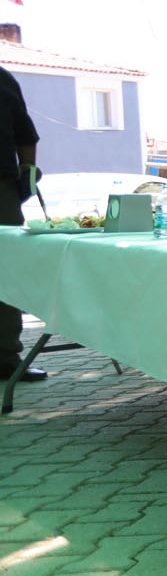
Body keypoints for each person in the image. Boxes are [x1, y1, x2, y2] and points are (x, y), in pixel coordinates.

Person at [1, 64, 45, 381]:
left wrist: (27, 172)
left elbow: (24, 132)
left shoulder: (3, 79)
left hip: (1, 185)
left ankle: (5, 358)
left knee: (6, 270)